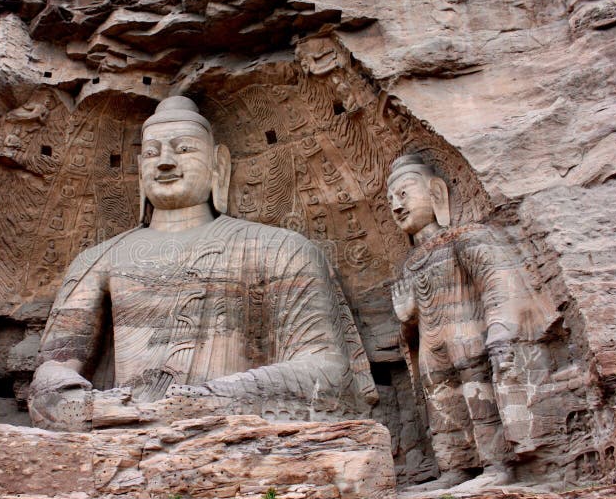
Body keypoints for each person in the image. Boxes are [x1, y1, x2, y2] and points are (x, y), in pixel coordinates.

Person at [28, 96, 377, 431]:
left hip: (233, 426)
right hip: (121, 424)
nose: (164, 162)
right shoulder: (99, 259)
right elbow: (52, 369)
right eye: (151, 153)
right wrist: (86, 405)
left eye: (183, 149)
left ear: (218, 163)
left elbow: (329, 372)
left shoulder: (280, 247)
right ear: (139, 170)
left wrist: (211, 400)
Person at [387, 154, 558, 491]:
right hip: (434, 352)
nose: (396, 207)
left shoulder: (466, 237)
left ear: (436, 193)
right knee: (444, 412)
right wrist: (407, 319)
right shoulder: (410, 265)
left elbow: (497, 284)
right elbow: (411, 326)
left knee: (481, 404)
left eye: (403, 194)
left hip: (470, 338)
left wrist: (500, 331)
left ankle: (498, 466)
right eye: (390, 200)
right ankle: (456, 468)